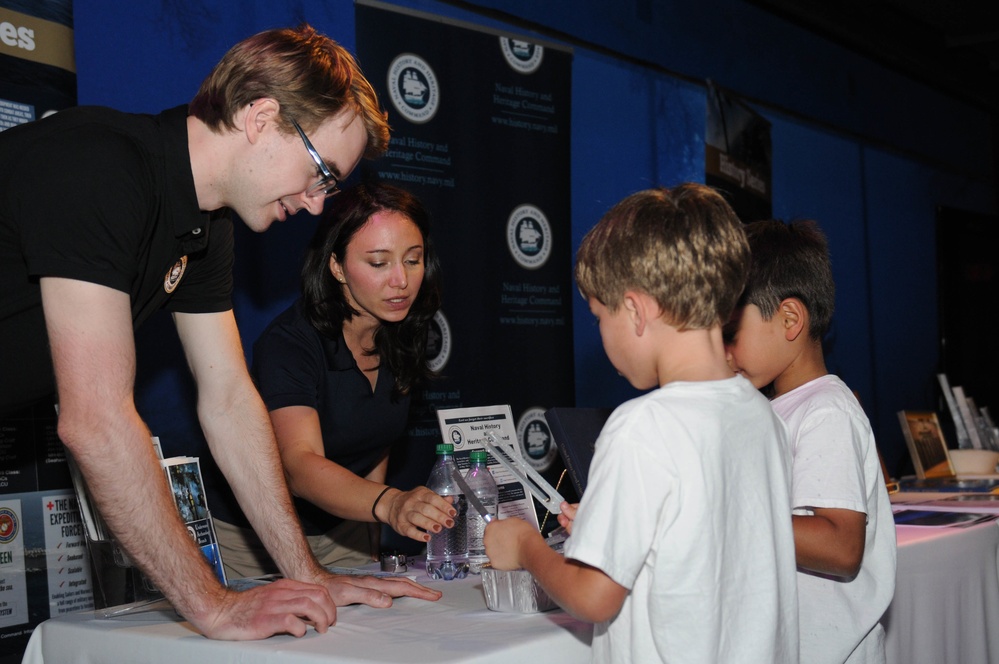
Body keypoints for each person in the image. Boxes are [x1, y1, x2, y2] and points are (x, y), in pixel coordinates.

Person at [0, 25, 440, 641]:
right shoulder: (102, 164)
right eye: (321, 172)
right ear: (261, 116)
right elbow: (95, 418)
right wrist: (213, 603)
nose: (318, 205)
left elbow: (231, 400)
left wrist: (307, 574)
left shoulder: (206, 227)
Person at [484, 184, 799, 663]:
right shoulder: (762, 413)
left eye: (598, 316)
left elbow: (594, 596)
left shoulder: (641, 426)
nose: (601, 335)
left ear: (633, 309)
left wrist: (526, 546)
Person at [212, 181, 456, 577]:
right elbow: (299, 466)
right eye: (378, 263)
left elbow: (377, 442)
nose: (401, 280)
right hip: (253, 538)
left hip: (346, 529)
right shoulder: (290, 344)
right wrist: (391, 504)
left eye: (413, 260)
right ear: (337, 266)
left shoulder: (401, 329)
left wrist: (371, 536)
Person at [723, 219, 896, 663]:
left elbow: (841, 545)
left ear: (790, 319)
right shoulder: (773, 410)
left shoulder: (825, 412)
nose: (723, 352)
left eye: (730, 334)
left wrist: (726, 513)